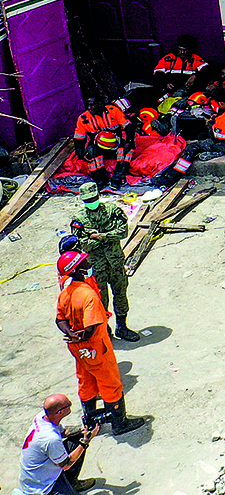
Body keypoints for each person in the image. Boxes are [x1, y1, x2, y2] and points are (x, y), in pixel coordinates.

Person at [54, 252, 146, 435]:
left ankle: (90, 421)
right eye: (84, 262)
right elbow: (92, 326)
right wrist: (83, 336)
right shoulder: (88, 295)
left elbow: (60, 319)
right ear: (78, 269)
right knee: (110, 382)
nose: (88, 263)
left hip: (78, 349)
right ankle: (119, 423)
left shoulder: (66, 293)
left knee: (86, 381)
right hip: (96, 347)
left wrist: (71, 333)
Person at [67, 183, 139, 343]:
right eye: (88, 199)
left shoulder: (112, 211)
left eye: (93, 198)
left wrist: (100, 236)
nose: (91, 201)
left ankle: (122, 327)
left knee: (120, 296)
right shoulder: (78, 219)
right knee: (100, 302)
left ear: (98, 196)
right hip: (96, 268)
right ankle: (104, 331)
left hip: (115, 264)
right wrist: (108, 236)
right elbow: (83, 244)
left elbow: (123, 232)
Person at [17, 394, 96, 495]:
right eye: (69, 405)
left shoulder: (43, 417)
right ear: (60, 412)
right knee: (79, 445)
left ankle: (72, 483)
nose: (71, 405)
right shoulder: (50, 439)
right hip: (43, 486)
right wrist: (85, 441)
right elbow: (66, 465)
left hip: (41, 471)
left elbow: (63, 432)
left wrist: (82, 430)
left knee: (77, 438)